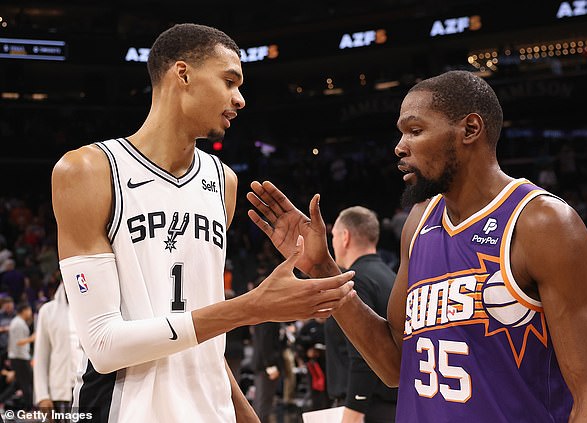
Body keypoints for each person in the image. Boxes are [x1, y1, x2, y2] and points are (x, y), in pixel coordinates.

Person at [246, 70, 587, 421]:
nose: (399, 147)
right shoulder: (418, 223)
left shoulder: (542, 223)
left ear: (470, 129)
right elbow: (394, 364)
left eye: (415, 130)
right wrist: (326, 270)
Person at [50, 23, 355, 423]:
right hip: (127, 410)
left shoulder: (223, 181)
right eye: (230, 81)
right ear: (183, 74)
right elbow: (104, 347)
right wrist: (252, 308)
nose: (240, 99)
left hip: (211, 411)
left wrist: (246, 416)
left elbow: (205, 335)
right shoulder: (87, 170)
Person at [325, 206, 397, 423]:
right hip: (391, 405)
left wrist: (353, 411)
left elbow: (362, 357)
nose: (333, 243)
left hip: (364, 408)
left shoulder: (356, 281)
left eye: (334, 236)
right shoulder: (391, 277)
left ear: (345, 237)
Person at [33, 282, 82, 419]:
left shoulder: (91, 309)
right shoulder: (47, 311)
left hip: (90, 388)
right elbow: (41, 356)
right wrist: (42, 395)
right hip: (61, 391)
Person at [8, 302, 35, 408]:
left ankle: (2, 400)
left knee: (19, 383)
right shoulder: (18, 323)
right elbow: (18, 342)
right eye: (29, 310)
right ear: (24, 310)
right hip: (20, 357)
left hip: (18, 357)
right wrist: (32, 338)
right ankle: (29, 408)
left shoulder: (17, 321)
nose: (30, 313)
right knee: (26, 383)